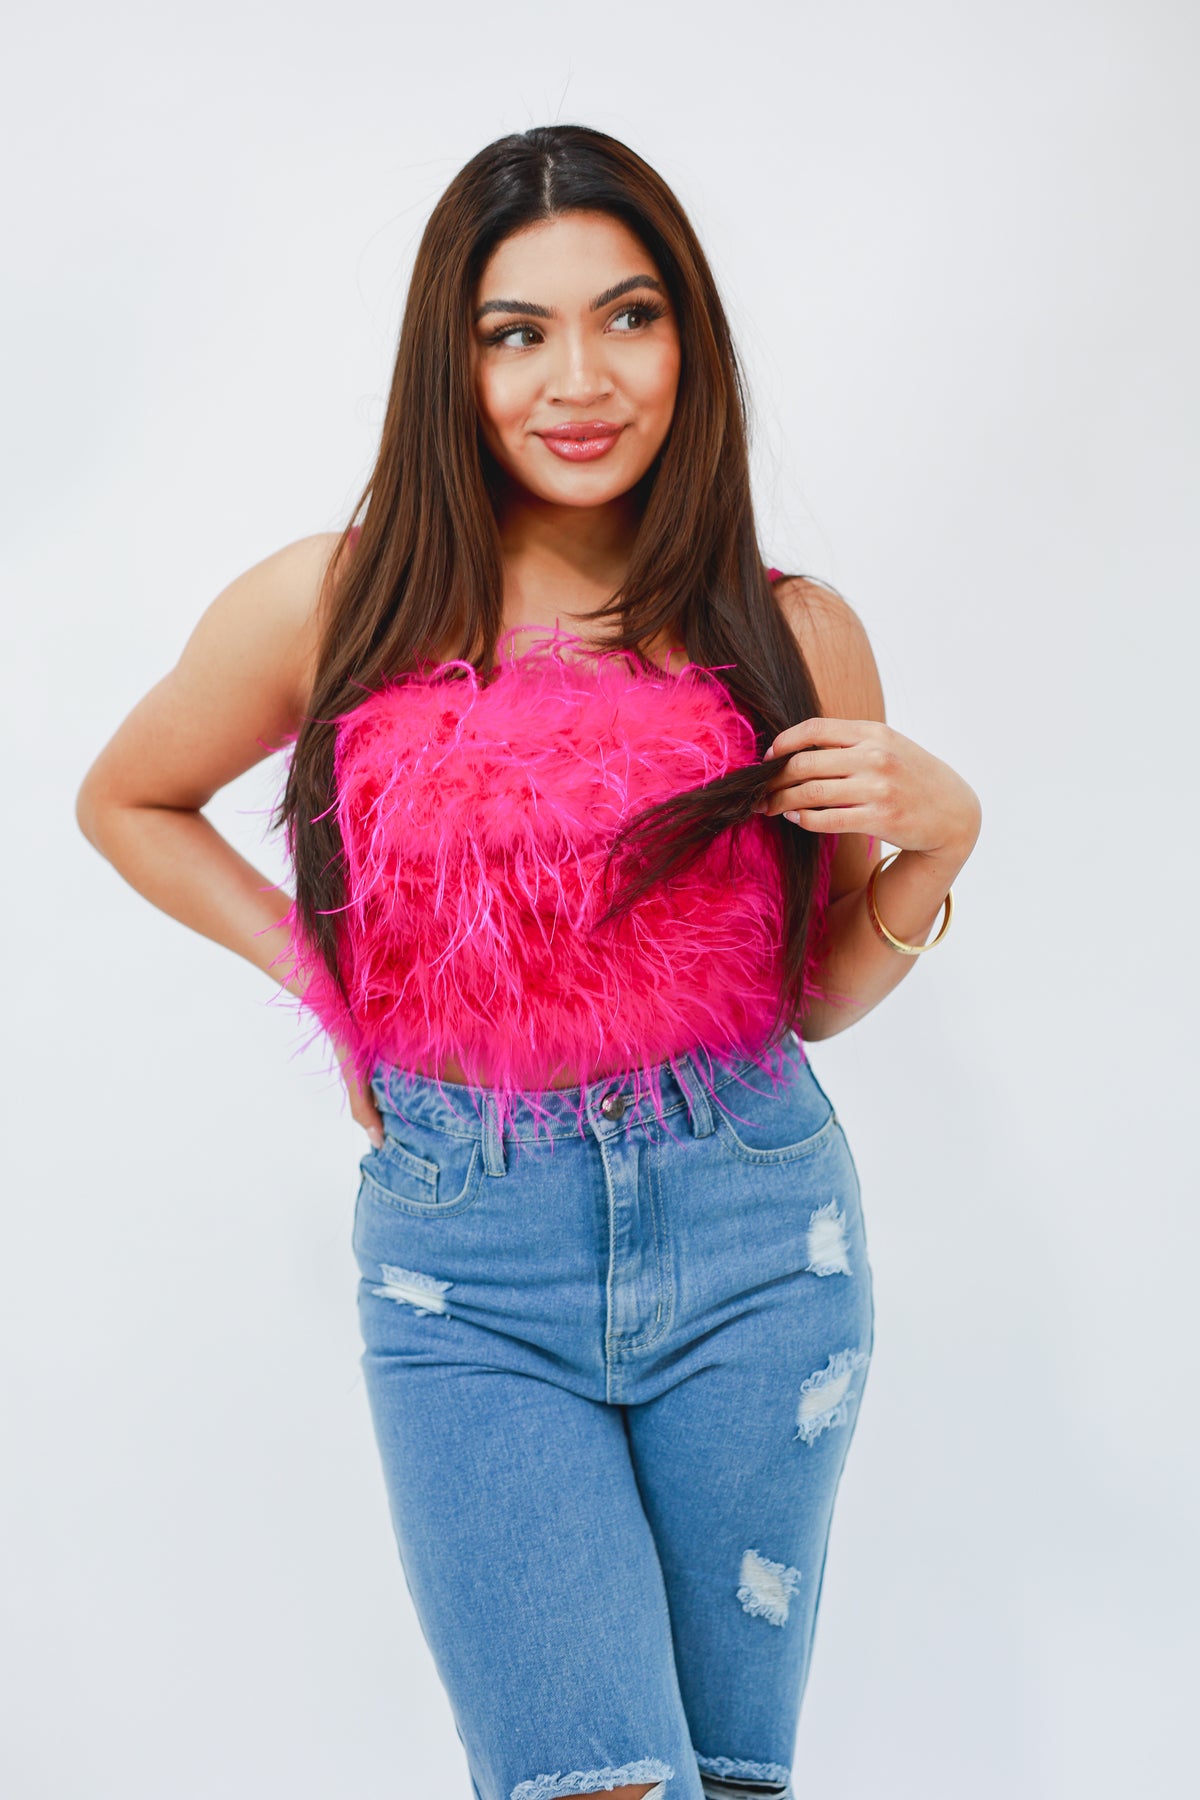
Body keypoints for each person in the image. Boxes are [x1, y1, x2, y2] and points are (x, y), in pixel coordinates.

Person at [76, 125, 981, 1800]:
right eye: (519, 330)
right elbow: (126, 798)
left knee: (727, 1779)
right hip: (466, 1273)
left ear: (688, 342)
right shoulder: (331, 604)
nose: (581, 377)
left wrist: (938, 844)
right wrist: (322, 982)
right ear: (455, 357)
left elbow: (815, 999)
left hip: (761, 1243)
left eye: (628, 318)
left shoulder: (793, 629)